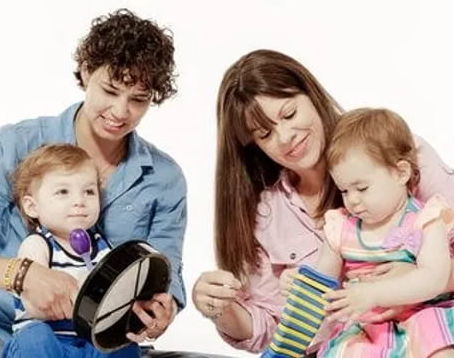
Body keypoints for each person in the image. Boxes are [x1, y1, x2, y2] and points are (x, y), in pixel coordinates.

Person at [191, 49, 454, 354]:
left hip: (429, 324)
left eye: (289, 114)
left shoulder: (393, 155)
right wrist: (221, 308)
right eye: (265, 134)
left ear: (311, 95)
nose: (286, 137)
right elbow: (275, 331)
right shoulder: (267, 213)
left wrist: (414, 284)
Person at [0, 9, 186, 358]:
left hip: (105, 341)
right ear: (87, 70)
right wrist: (22, 274)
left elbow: (166, 272)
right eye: (110, 90)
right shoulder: (16, 145)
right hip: (5, 331)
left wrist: (163, 309)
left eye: (138, 99)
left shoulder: (164, 179)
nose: (120, 112)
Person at [269, 108, 454, 357]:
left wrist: (375, 293)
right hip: (367, 328)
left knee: (438, 345)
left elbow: (434, 279)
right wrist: (302, 283)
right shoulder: (340, 228)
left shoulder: (426, 219)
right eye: (344, 191)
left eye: (362, 188)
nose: (352, 201)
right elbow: (322, 284)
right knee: (346, 350)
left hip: (423, 315)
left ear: (401, 172)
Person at [1, 143, 140, 357]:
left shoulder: (102, 246)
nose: (79, 201)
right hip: (50, 341)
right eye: (63, 191)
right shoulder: (37, 245)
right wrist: (81, 294)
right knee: (35, 337)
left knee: (122, 343)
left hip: (88, 343)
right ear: (32, 207)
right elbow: (35, 304)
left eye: (89, 191)